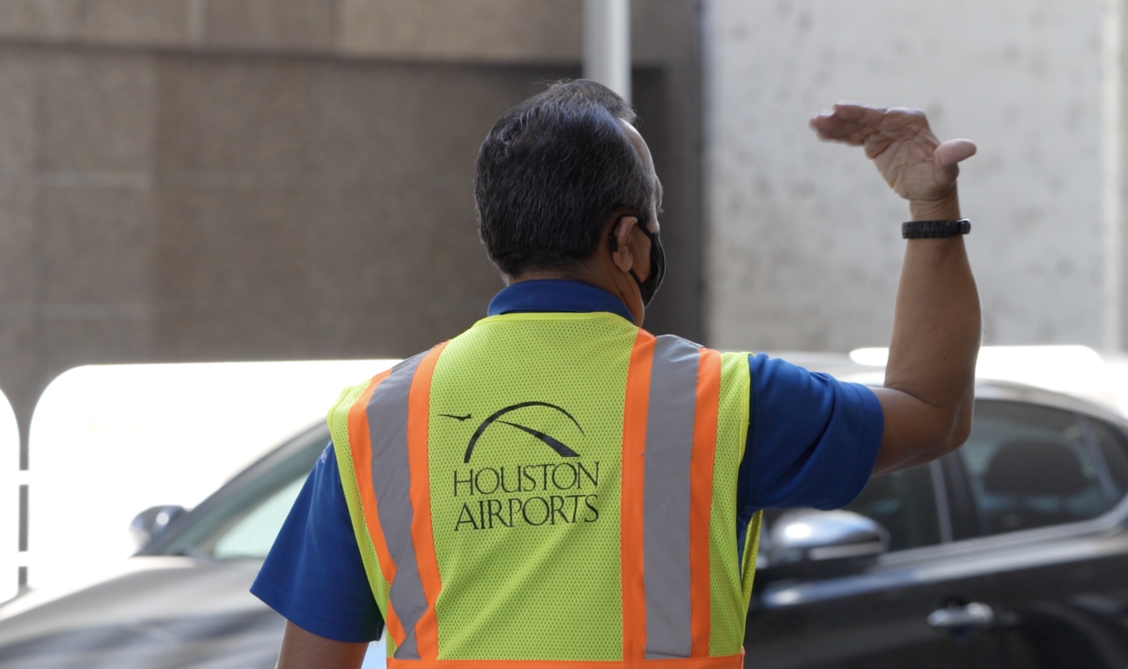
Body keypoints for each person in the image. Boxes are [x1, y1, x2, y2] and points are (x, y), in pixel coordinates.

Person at [251, 80, 980, 669]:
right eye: (654, 214)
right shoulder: (724, 401)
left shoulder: (377, 421)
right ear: (627, 241)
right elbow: (932, 409)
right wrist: (931, 205)